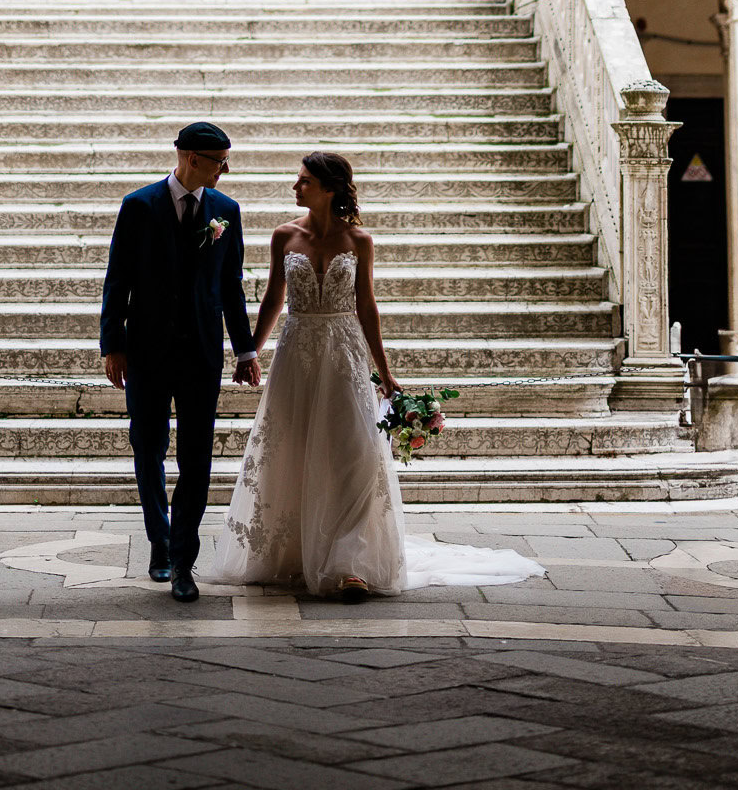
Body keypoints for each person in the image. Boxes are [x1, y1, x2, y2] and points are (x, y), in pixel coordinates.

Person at [209, 152, 545, 599]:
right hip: (296, 355)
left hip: (344, 355)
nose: (295, 187)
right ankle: (291, 552)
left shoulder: (359, 241)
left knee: (354, 453)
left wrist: (386, 375)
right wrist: (249, 353)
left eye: (304, 181)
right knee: (290, 448)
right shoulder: (283, 235)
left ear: (328, 188)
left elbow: (367, 307)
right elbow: (273, 298)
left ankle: (351, 563)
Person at [100, 121, 258, 603]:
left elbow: (231, 285)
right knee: (147, 448)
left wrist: (245, 349)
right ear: (190, 157)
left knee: (197, 459)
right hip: (146, 351)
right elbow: (117, 278)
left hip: (201, 353)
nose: (225, 170)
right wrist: (113, 345)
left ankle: (184, 561)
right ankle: (160, 542)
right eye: (219, 161)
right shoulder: (139, 205)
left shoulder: (225, 211)